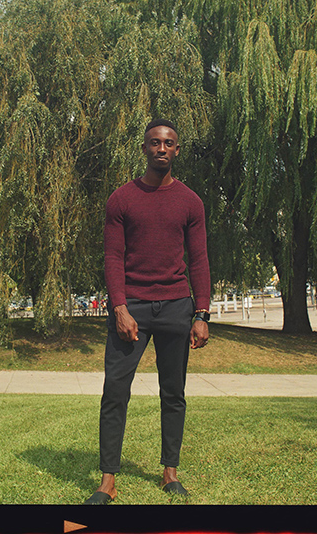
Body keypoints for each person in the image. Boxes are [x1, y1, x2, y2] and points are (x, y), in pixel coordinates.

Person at [85, 119, 211, 505]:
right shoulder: (121, 199)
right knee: (115, 392)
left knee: (173, 392)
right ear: (144, 149)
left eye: (168, 143)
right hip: (133, 307)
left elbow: (200, 259)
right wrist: (119, 307)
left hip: (176, 306)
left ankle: (170, 473)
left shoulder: (190, 201)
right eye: (154, 142)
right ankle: (108, 480)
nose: (161, 148)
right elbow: (113, 256)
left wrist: (202, 314)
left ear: (176, 151)